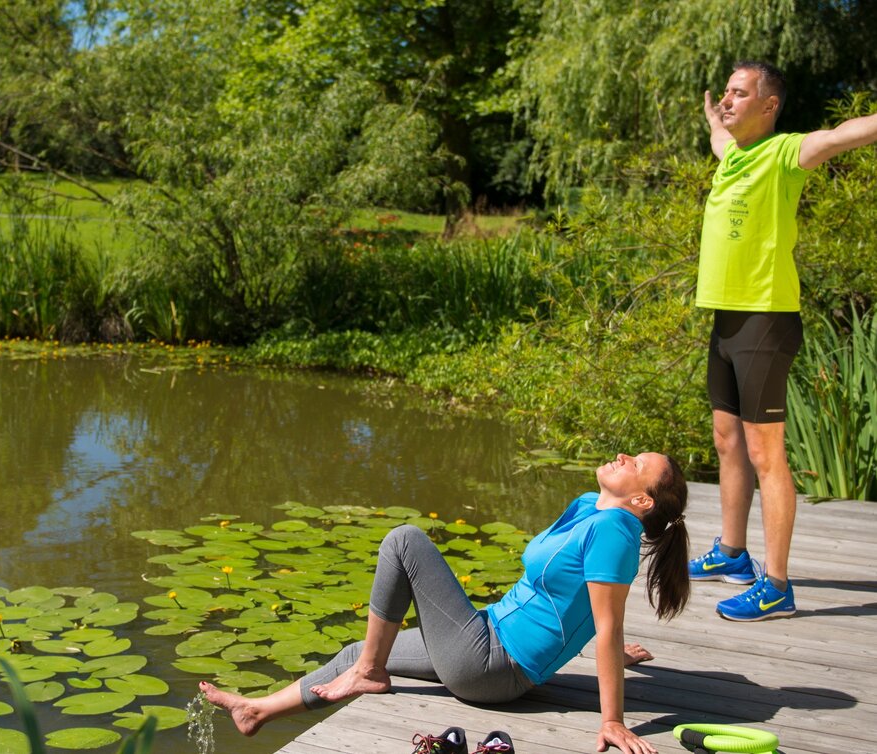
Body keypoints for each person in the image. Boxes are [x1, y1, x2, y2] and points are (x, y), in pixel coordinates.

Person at [201, 452, 689, 754]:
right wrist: (614, 649)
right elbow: (577, 601)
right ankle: (257, 711)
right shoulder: (591, 508)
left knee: (404, 542)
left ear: (642, 502)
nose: (625, 456)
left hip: (494, 665)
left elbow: (606, 622)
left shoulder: (614, 531)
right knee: (360, 649)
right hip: (489, 635)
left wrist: (612, 721)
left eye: (639, 465)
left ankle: (369, 672)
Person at [689, 60, 877, 621]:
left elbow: (845, 135)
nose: (727, 101)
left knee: (766, 453)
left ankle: (776, 584)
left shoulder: (786, 153)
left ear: (769, 106)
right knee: (727, 439)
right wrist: (716, 120)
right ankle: (732, 553)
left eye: (739, 94)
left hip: (764, 319)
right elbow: (722, 138)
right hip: (726, 316)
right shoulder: (735, 154)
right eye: (724, 91)